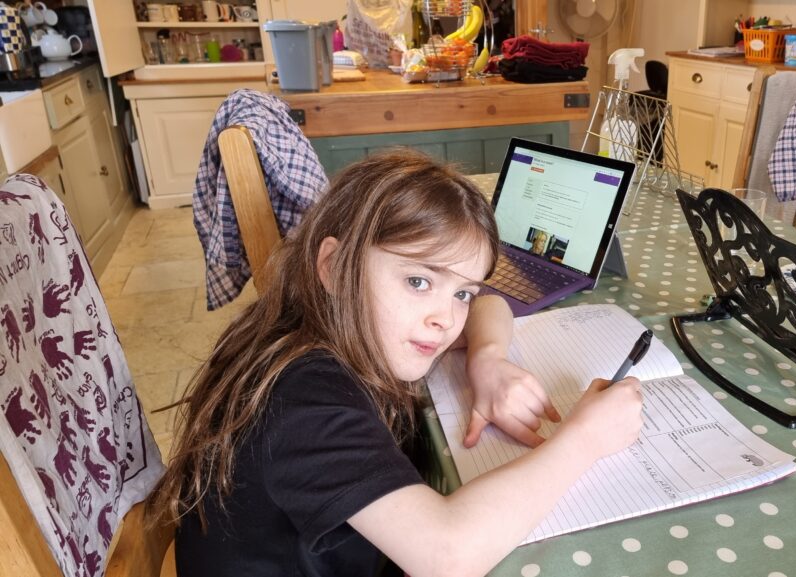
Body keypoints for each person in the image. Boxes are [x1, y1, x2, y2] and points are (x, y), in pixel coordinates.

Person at [150, 150, 644, 577]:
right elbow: (446, 554)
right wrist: (585, 439)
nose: (444, 320)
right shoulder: (303, 399)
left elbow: (492, 305)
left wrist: (487, 360)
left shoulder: (318, 325)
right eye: (418, 282)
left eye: (461, 291)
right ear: (333, 267)